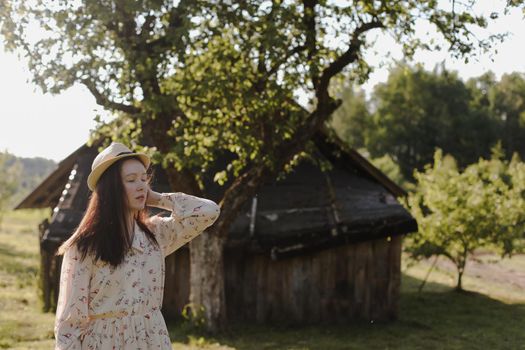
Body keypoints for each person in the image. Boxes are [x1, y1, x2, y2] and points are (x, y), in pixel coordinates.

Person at [54, 142, 220, 349]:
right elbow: (70, 322)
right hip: (104, 343)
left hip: (152, 339)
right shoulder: (84, 246)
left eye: (144, 179)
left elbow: (209, 211)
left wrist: (158, 199)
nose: (142, 185)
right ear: (111, 188)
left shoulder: (155, 235)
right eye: (131, 180)